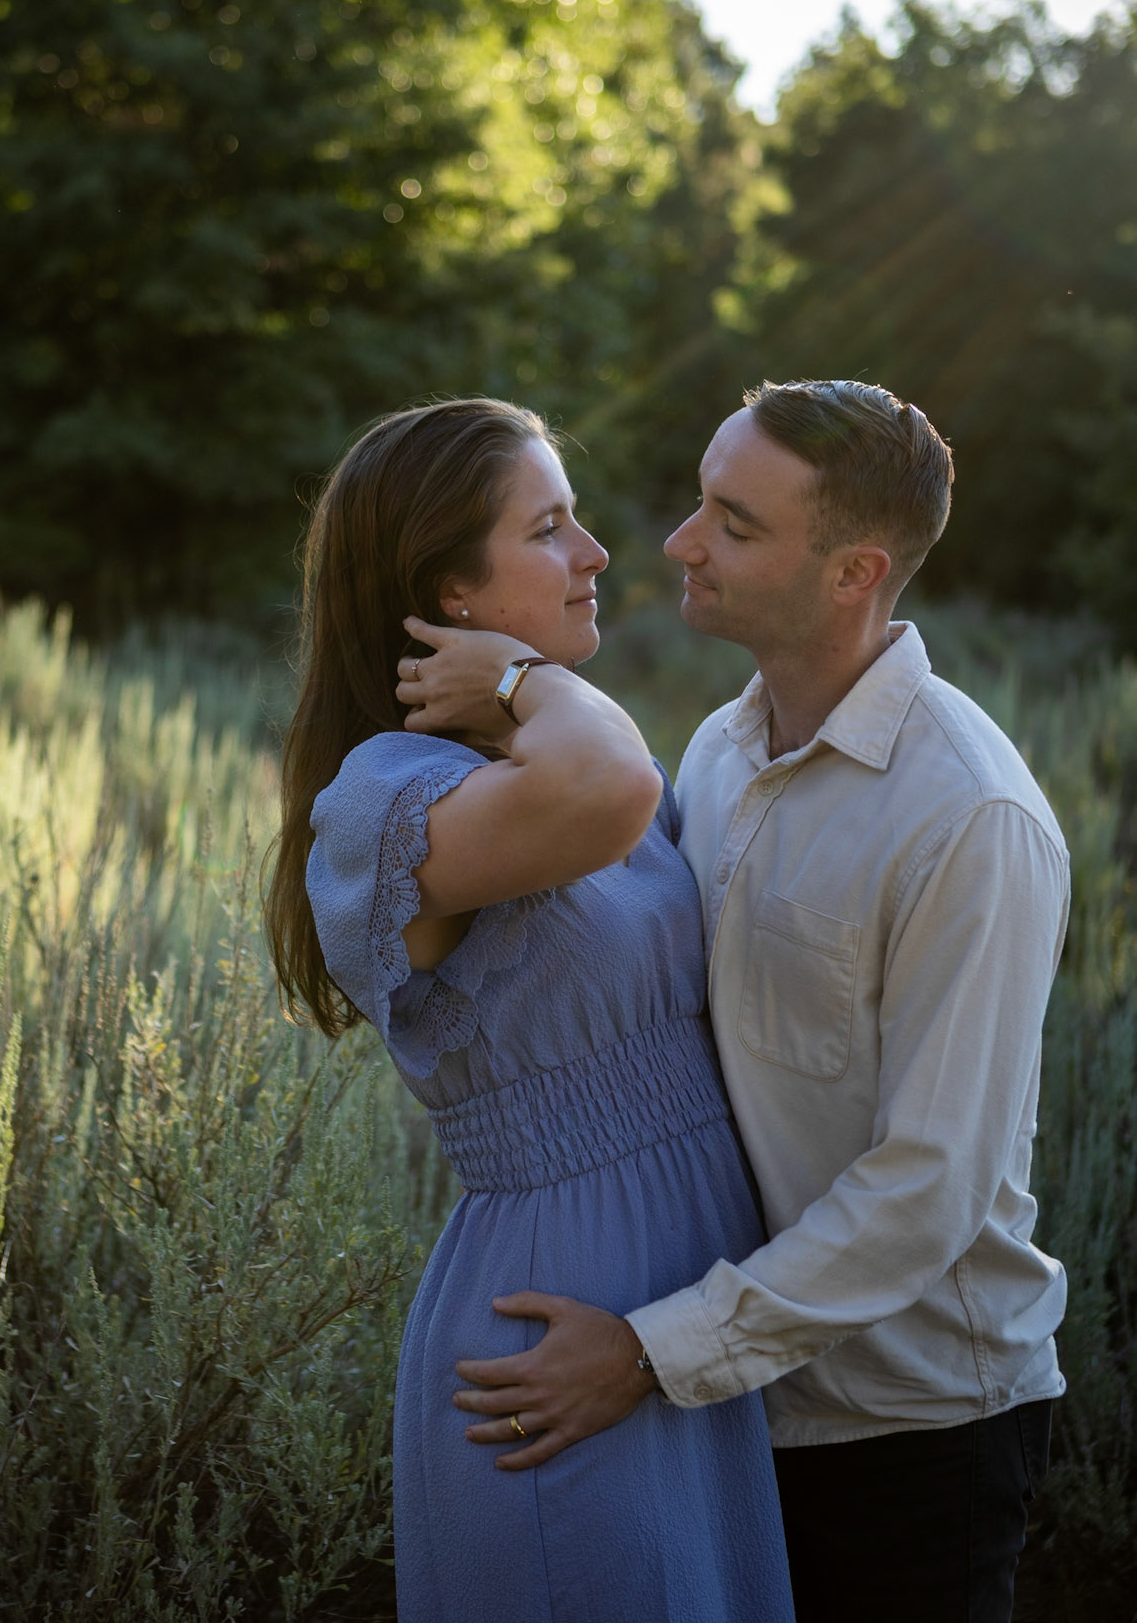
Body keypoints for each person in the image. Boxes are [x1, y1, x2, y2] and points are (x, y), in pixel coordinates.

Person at [447, 379, 1069, 1623]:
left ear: (854, 571)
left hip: (908, 1429)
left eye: (733, 523)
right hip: (725, 1407)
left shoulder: (972, 818)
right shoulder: (721, 752)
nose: (678, 542)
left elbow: (928, 1191)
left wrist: (645, 1352)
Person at [264, 396, 794, 1623]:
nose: (598, 552)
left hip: (673, 1330)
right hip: (554, 1333)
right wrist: (520, 676)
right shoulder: (390, 794)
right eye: (549, 526)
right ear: (449, 591)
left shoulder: (535, 749)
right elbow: (614, 787)